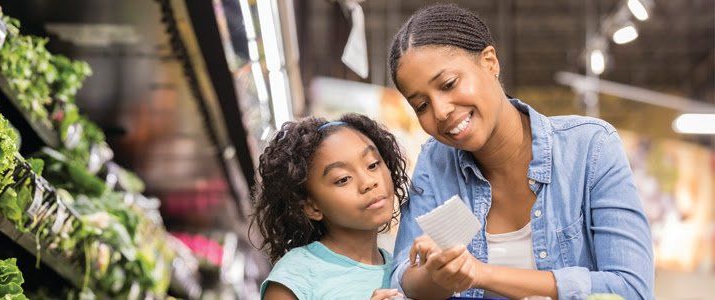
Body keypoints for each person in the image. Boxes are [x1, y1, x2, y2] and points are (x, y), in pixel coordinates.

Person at [387, 4, 654, 299]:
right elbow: (403, 280)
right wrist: (435, 274)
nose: (440, 111)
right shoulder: (436, 162)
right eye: (421, 106)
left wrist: (481, 273)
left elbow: (631, 289)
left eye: (449, 84)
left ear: (489, 62)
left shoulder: (591, 147)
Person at [252, 114, 410, 300]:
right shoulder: (296, 274)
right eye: (343, 179)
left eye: (373, 164)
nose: (368, 182)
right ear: (312, 207)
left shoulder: (403, 273)